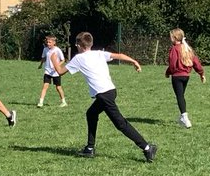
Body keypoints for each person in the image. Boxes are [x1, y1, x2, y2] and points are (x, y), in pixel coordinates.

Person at [50, 32, 156, 162]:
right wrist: (134, 61)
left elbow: (60, 72)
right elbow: (120, 55)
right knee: (91, 114)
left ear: (79, 45)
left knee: (120, 124)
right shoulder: (99, 53)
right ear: (91, 43)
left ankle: (146, 148)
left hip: (104, 95)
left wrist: (54, 60)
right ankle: (89, 148)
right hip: (110, 91)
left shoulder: (78, 58)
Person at [166, 28, 205, 128]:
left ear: (175, 38)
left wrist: (168, 72)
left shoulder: (175, 49)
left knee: (179, 96)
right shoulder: (187, 48)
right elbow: (195, 62)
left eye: (171, 36)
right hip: (186, 76)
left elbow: (173, 64)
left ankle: (185, 117)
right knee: (181, 96)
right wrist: (201, 73)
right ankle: (181, 117)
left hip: (177, 76)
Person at [37, 34, 68, 108]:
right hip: (47, 71)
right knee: (45, 86)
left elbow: (63, 60)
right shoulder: (45, 49)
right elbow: (44, 58)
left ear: (54, 42)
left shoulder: (57, 50)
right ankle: (40, 102)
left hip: (56, 72)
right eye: (47, 42)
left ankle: (63, 102)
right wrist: (41, 64)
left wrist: (57, 66)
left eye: (50, 42)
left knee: (58, 87)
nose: (48, 44)